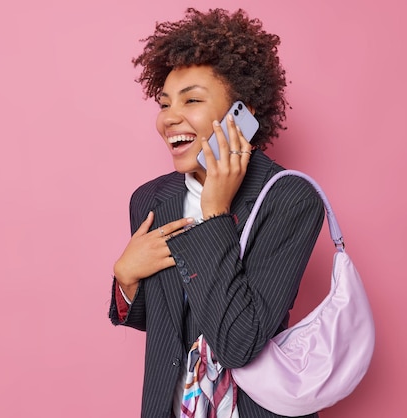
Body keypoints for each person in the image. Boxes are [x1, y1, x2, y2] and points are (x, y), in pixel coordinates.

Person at [109, 8, 325, 418]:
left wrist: (214, 212)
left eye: (191, 100)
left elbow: (238, 343)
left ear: (242, 114)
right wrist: (126, 278)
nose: (169, 118)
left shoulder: (290, 199)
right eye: (165, 103)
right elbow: (167, 323)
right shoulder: (150, 200)